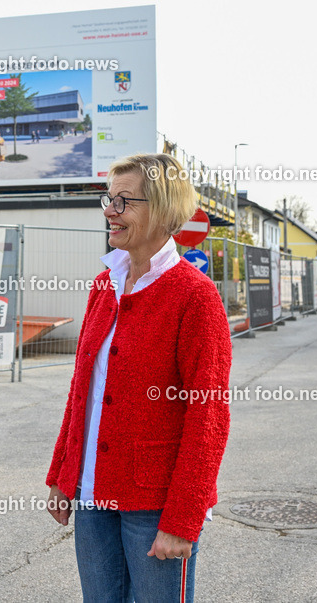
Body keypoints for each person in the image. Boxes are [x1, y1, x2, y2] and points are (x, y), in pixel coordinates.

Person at [45, 153, 231, 602]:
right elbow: (82, 392)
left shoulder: (195, 296)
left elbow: (208, 417)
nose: (110, 211)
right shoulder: (103, 285)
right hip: (93, 493)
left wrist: (184, 518)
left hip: (155, 503)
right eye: (109, 199)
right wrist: (62, 474)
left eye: (124, 201)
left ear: (163, 209)